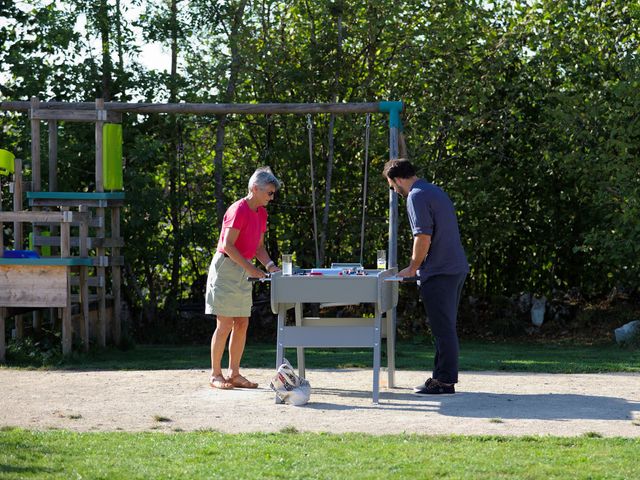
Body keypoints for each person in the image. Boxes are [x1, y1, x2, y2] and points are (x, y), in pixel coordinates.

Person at [383, 159, 469, 395]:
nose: (393, 190)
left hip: (440, 271)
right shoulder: (433, 190)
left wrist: (412, 267)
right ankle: (442, 378)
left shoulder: (416, 196)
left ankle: (444, 381)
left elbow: (422, 237)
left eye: (392, 185)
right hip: (454, 268)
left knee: (443, 329)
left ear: (397, 180)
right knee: (446, 327)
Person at [206, 166, 282, 390]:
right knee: (225, 323)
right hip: (227, 268)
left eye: (273, 193)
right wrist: (250, 268)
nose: (272, 196)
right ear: (254, 188)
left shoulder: (262, 212)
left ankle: (234, 374)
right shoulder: (238, 209)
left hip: (242, 269)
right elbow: (228, 246)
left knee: (242, 322)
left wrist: (269, 265)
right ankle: (215, 374)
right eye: (269, 192)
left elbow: (258, 247)